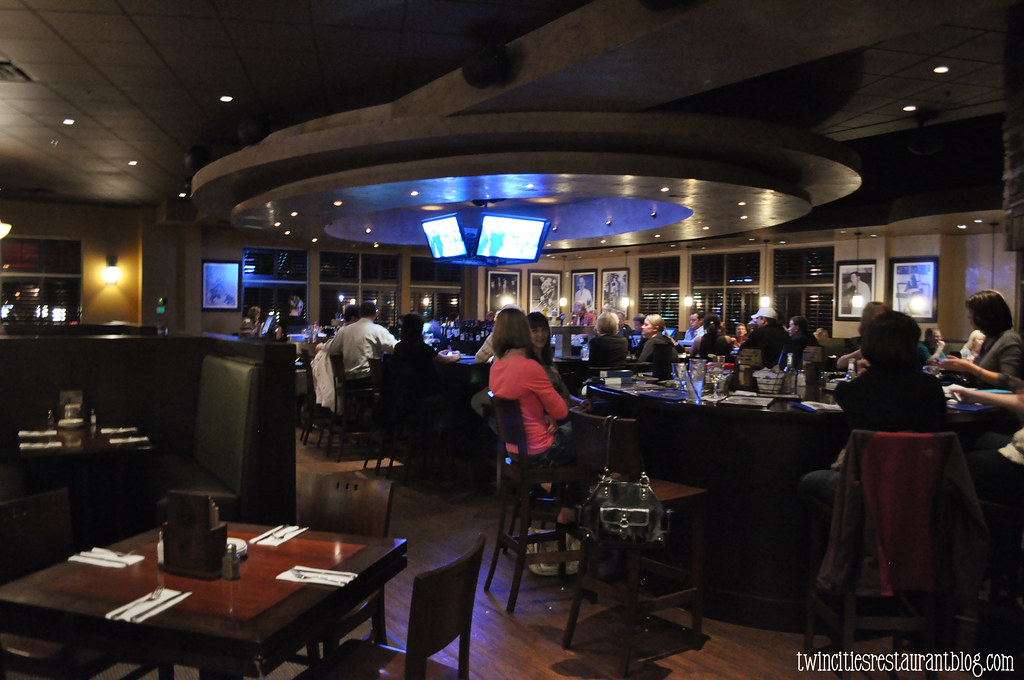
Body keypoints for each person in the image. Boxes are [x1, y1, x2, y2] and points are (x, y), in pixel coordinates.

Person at [799, 311, 947, 505]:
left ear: (868, 344)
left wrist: (864, 376)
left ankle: (845, 532)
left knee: (808, 481)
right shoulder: (932, 386)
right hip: (923, 485)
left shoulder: (849, 391)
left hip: (866, 486)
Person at [489, 308, 577, 525]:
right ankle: (570, 508)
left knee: (578, 439)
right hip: (538, 451)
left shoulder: (497, 366)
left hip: (514, 450)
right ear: (523, 332)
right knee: (592, 438)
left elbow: (523, 405)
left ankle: (568, 504)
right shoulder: (530, 367)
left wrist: (543, 414)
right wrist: (550, 415)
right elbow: (561, 411)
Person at [939, 289, 1023, 389]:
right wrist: (960, 367)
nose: (968, 316)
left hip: (998, 403)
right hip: (982, 399)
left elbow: (1010, 380)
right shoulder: (989, 339)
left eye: (972, 312)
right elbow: (979, 378)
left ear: (986, 315)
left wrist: (970, 367)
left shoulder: (1009, 339)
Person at [338, 300, 397, 387]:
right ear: (376, 314)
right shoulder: (377, 330)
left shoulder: (344, 330)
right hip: (368, 380)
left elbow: (330, 349)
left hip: (347, 380)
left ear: (360, 313)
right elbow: (394, 347)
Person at [837, 301, 888, 372]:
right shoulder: (855, 342)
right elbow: (840, 364)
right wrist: (862, 351)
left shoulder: (892, 343)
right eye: (877, 318)